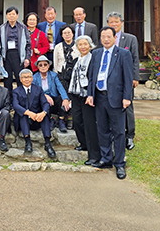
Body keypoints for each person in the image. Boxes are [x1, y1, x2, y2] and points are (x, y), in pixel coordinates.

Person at [87, 27, 134, 179]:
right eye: (103, 37)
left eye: (109, 36)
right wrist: (90, 94)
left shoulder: (123, 54)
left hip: (116, 98)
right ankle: (106, 159)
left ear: (115, 38)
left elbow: (128, 78)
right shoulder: (96, 53)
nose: (106, 39)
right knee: (102, 130)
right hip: (100, 97)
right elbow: (92, 76)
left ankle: (119, 163)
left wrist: (127, 97)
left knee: (119, 132)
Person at [107, 11, 140, 151]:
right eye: (111, 22)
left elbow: (135, 59)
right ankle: (114, 134)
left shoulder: (130, 39)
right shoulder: (106, 38)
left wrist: (135, 77)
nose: (114, 24)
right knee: (111, 105)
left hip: (126, 78)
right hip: (110, 79)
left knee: (128, 106)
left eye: (116, 22)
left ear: (121, 23)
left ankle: (130, 135)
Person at [68, 35, 101, 167]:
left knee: (89, 124)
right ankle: (83, 143)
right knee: (76, 120)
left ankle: (94, 155)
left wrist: (91, 94)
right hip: (76, 94)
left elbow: (93, 78)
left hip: (88, 95)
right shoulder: (77, 60)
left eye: (85, 44)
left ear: (90, 45)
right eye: (80, 44)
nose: (82, 47)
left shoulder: (93, 59)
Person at [12, 69, 56, 158]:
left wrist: (43, 113)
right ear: (20, 79)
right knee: (23, 114)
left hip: (37, 119)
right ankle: (28, 142)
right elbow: (15, 106)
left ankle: (48, 143)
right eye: (24, 77)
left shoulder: (38, 89)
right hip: (24, 122)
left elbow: (45, 103)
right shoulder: (16, 91)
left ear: (32, 78)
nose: (26, 79)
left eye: (28, 77)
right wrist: (29, 113)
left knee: (45, 115)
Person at [0, 7, 31, 94]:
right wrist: (0, 58)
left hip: (19, 55)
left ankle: (20, 100)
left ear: (17, 15)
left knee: (20, 79)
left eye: (13, 14)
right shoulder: (2, 28)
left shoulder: (23, 28)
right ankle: (8, 101)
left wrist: (27, 58)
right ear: (6, 16)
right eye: (9, 14)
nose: (11, 16)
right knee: (7, 80)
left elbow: (28, 44)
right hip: (6, 56)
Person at [32, 55, 69, 133]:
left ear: (48, 65)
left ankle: (61, 120)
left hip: (54, 99)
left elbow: (60, 87)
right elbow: (34, 90)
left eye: (45, 64)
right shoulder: (35, 77)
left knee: (61, 98)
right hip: (43, 101)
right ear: (38, 67)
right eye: (40, 65)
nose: (43, 66)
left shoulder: (53, 75)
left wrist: (65, 99)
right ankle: (50, 119)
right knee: (43, 100)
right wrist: (44, 96)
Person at [53, 25, 79, 129]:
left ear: (73, 34)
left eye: (69, 32)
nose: (67, 35)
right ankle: (62, 118)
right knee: (63, 97)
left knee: (73, 96)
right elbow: (55, 63)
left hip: (74, 75)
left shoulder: (77, 46)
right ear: (62, 35)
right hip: (61, 75)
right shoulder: (58, 47)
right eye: (64, 33)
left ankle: (71, 118)